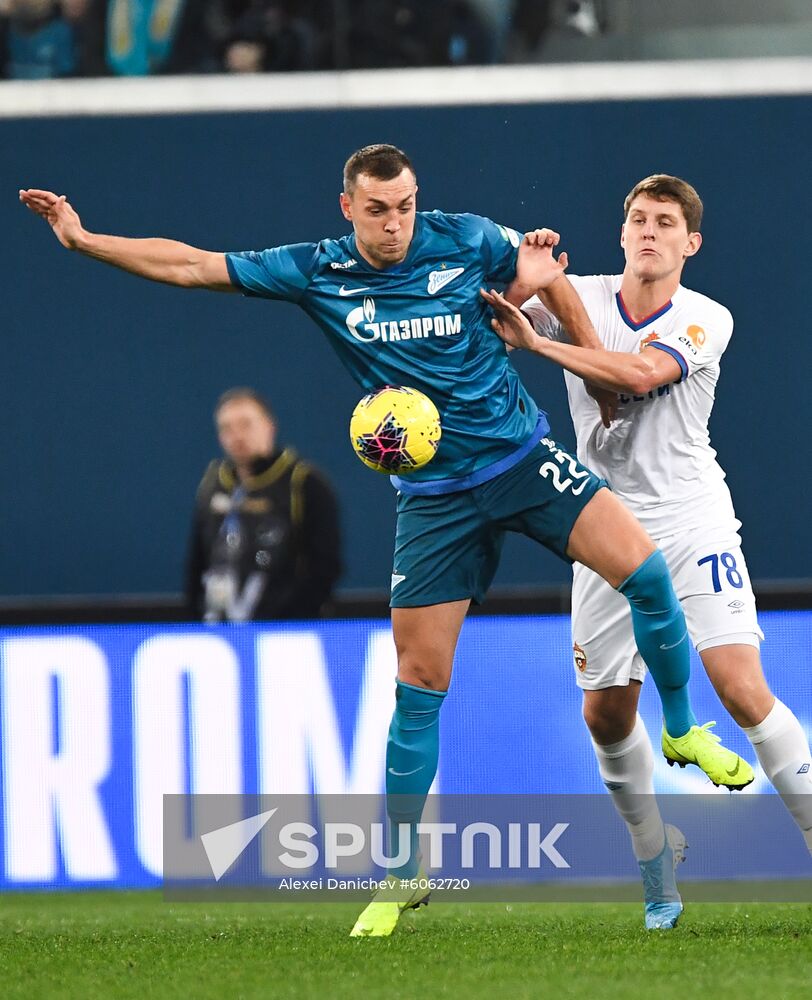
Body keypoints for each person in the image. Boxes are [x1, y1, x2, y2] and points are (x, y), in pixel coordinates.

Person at [20, 146, 750, 938]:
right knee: (418, 683)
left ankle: (679, 725)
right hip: (434, 500)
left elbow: (548, 278)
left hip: (522, 460)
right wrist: (85, 240)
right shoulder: (317, 272)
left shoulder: (468, 238)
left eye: (405, 205)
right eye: (378, 209)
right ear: (347, 208)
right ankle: (402, 873)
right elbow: (196, 265)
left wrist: (599, 379)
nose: (396, 222)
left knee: (645, 571)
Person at [484, 173, 812, 928]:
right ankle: (654, 853)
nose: (649, 232)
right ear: (622, 232)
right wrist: (527, 264)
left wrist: (539, 343)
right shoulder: (583, 296)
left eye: (665, 222)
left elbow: (638, 374)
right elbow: (495, 292)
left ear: (690, 243)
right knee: (604, 716)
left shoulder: (706, 318)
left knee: (739, 684)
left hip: (692, 515)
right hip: (602, 520)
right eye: (638, 219)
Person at [186, 387, 342, 622]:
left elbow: (325, 564)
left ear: (269, 426)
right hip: (219, 628)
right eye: (226, 428)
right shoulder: (212, 481)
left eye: (246, 424)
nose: (237, 436)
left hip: (285, 632)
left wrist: (296, 619)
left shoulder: (303, 482)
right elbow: (197, 558)